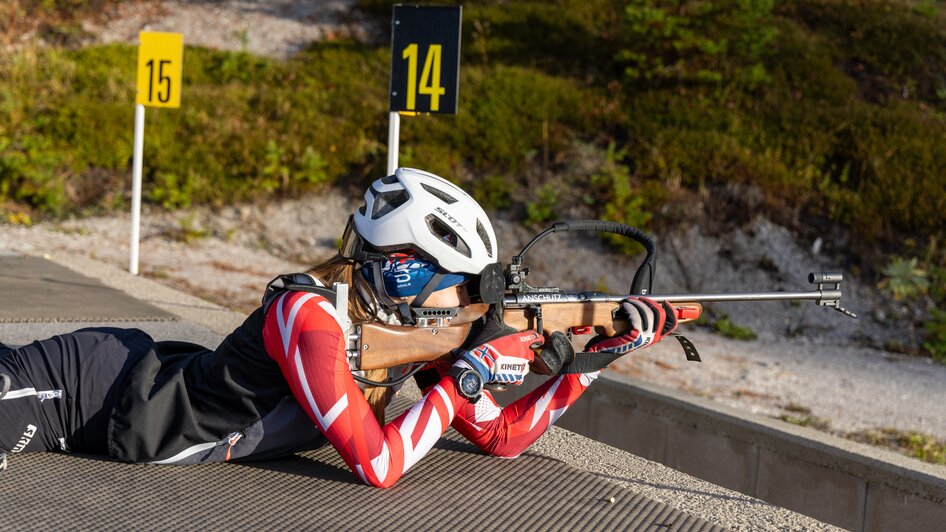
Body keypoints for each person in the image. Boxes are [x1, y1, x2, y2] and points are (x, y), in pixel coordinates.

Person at [0, 167, 678, 487]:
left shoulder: (419, 327)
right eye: (457, 284)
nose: (464, 302)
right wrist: (463, 379)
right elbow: (378, 465)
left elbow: (503, 438)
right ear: (405, 268)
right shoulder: (310, 316)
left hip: (127, 393)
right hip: (90, 393)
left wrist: (605, 354)